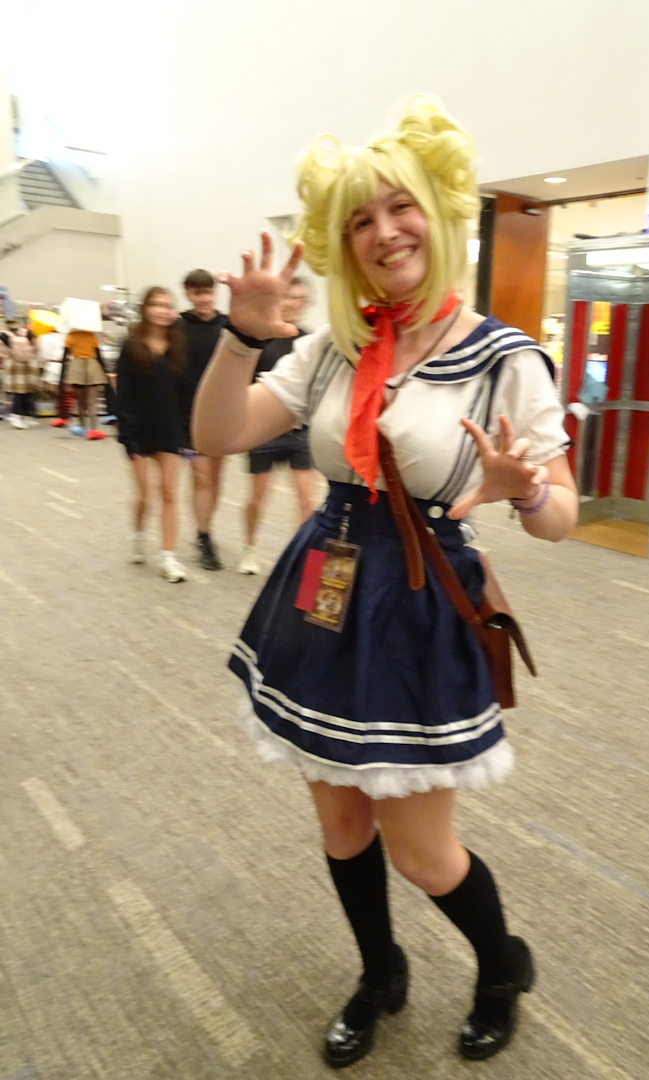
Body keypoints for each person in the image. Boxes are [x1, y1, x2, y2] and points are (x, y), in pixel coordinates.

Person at [193, 96, 578, 1067]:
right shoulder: (337, 346)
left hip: (417, 600)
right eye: (360, 218)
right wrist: (240, 339)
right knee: (339, 818)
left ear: (439, 215)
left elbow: (562, 514)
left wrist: (526, 489)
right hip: (323, 585)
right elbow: (217, 435)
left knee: (421, 851)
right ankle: (379, 973)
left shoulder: (503, 359)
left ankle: (501, 965)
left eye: (400, 206)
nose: (384, 231)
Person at [239, 276, 319, 575]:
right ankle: (249, 548)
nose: (295, 303)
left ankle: (301, 558)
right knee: (258, 499)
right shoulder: (263, 337)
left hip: (301, 432)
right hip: (263, 432)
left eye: (300, 298)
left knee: (307, 499)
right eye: (289, 297)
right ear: (278, 300)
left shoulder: (311, 342)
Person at [117, 287, 188, 583]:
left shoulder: (178, 347)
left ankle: (168, 557)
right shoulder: (131, 346)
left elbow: (185, 393)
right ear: (145, 309)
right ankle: (137, 535)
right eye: (156, 304)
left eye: (167, 305)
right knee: (145, 494)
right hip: (139, 430)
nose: (162, 310)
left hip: (169, 430)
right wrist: (127, 435)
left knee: (169, 492)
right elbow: (123, 395)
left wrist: (187, 430)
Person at [179, 270, 228, 570]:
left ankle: (206, 527)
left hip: (221, 414)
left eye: (208, 292)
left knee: (216, 477)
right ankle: (204, 536)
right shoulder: (178, 326)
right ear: (188, 294)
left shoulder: (226, 326)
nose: (204, 298)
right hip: (186, 417)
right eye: (197, 293)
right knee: (200, 476)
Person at [62, 328, 107, 436]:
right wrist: (105, 370)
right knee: (92, 402)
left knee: (80, 401)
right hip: (92, 366)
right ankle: (94, 429)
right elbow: (98, 354)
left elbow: (65, 355)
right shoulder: (91, 335)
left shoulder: (70, 336)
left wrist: (64, 376)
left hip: (77, 366)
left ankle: (82, 427)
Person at [3, 327, 40, 428]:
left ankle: (21, 417)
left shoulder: (11, 339)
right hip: (24, 369)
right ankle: (20, 416)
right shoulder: (25, 338)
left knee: (20, 394)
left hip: (16, 369)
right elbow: (34, 352)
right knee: (23, 395)